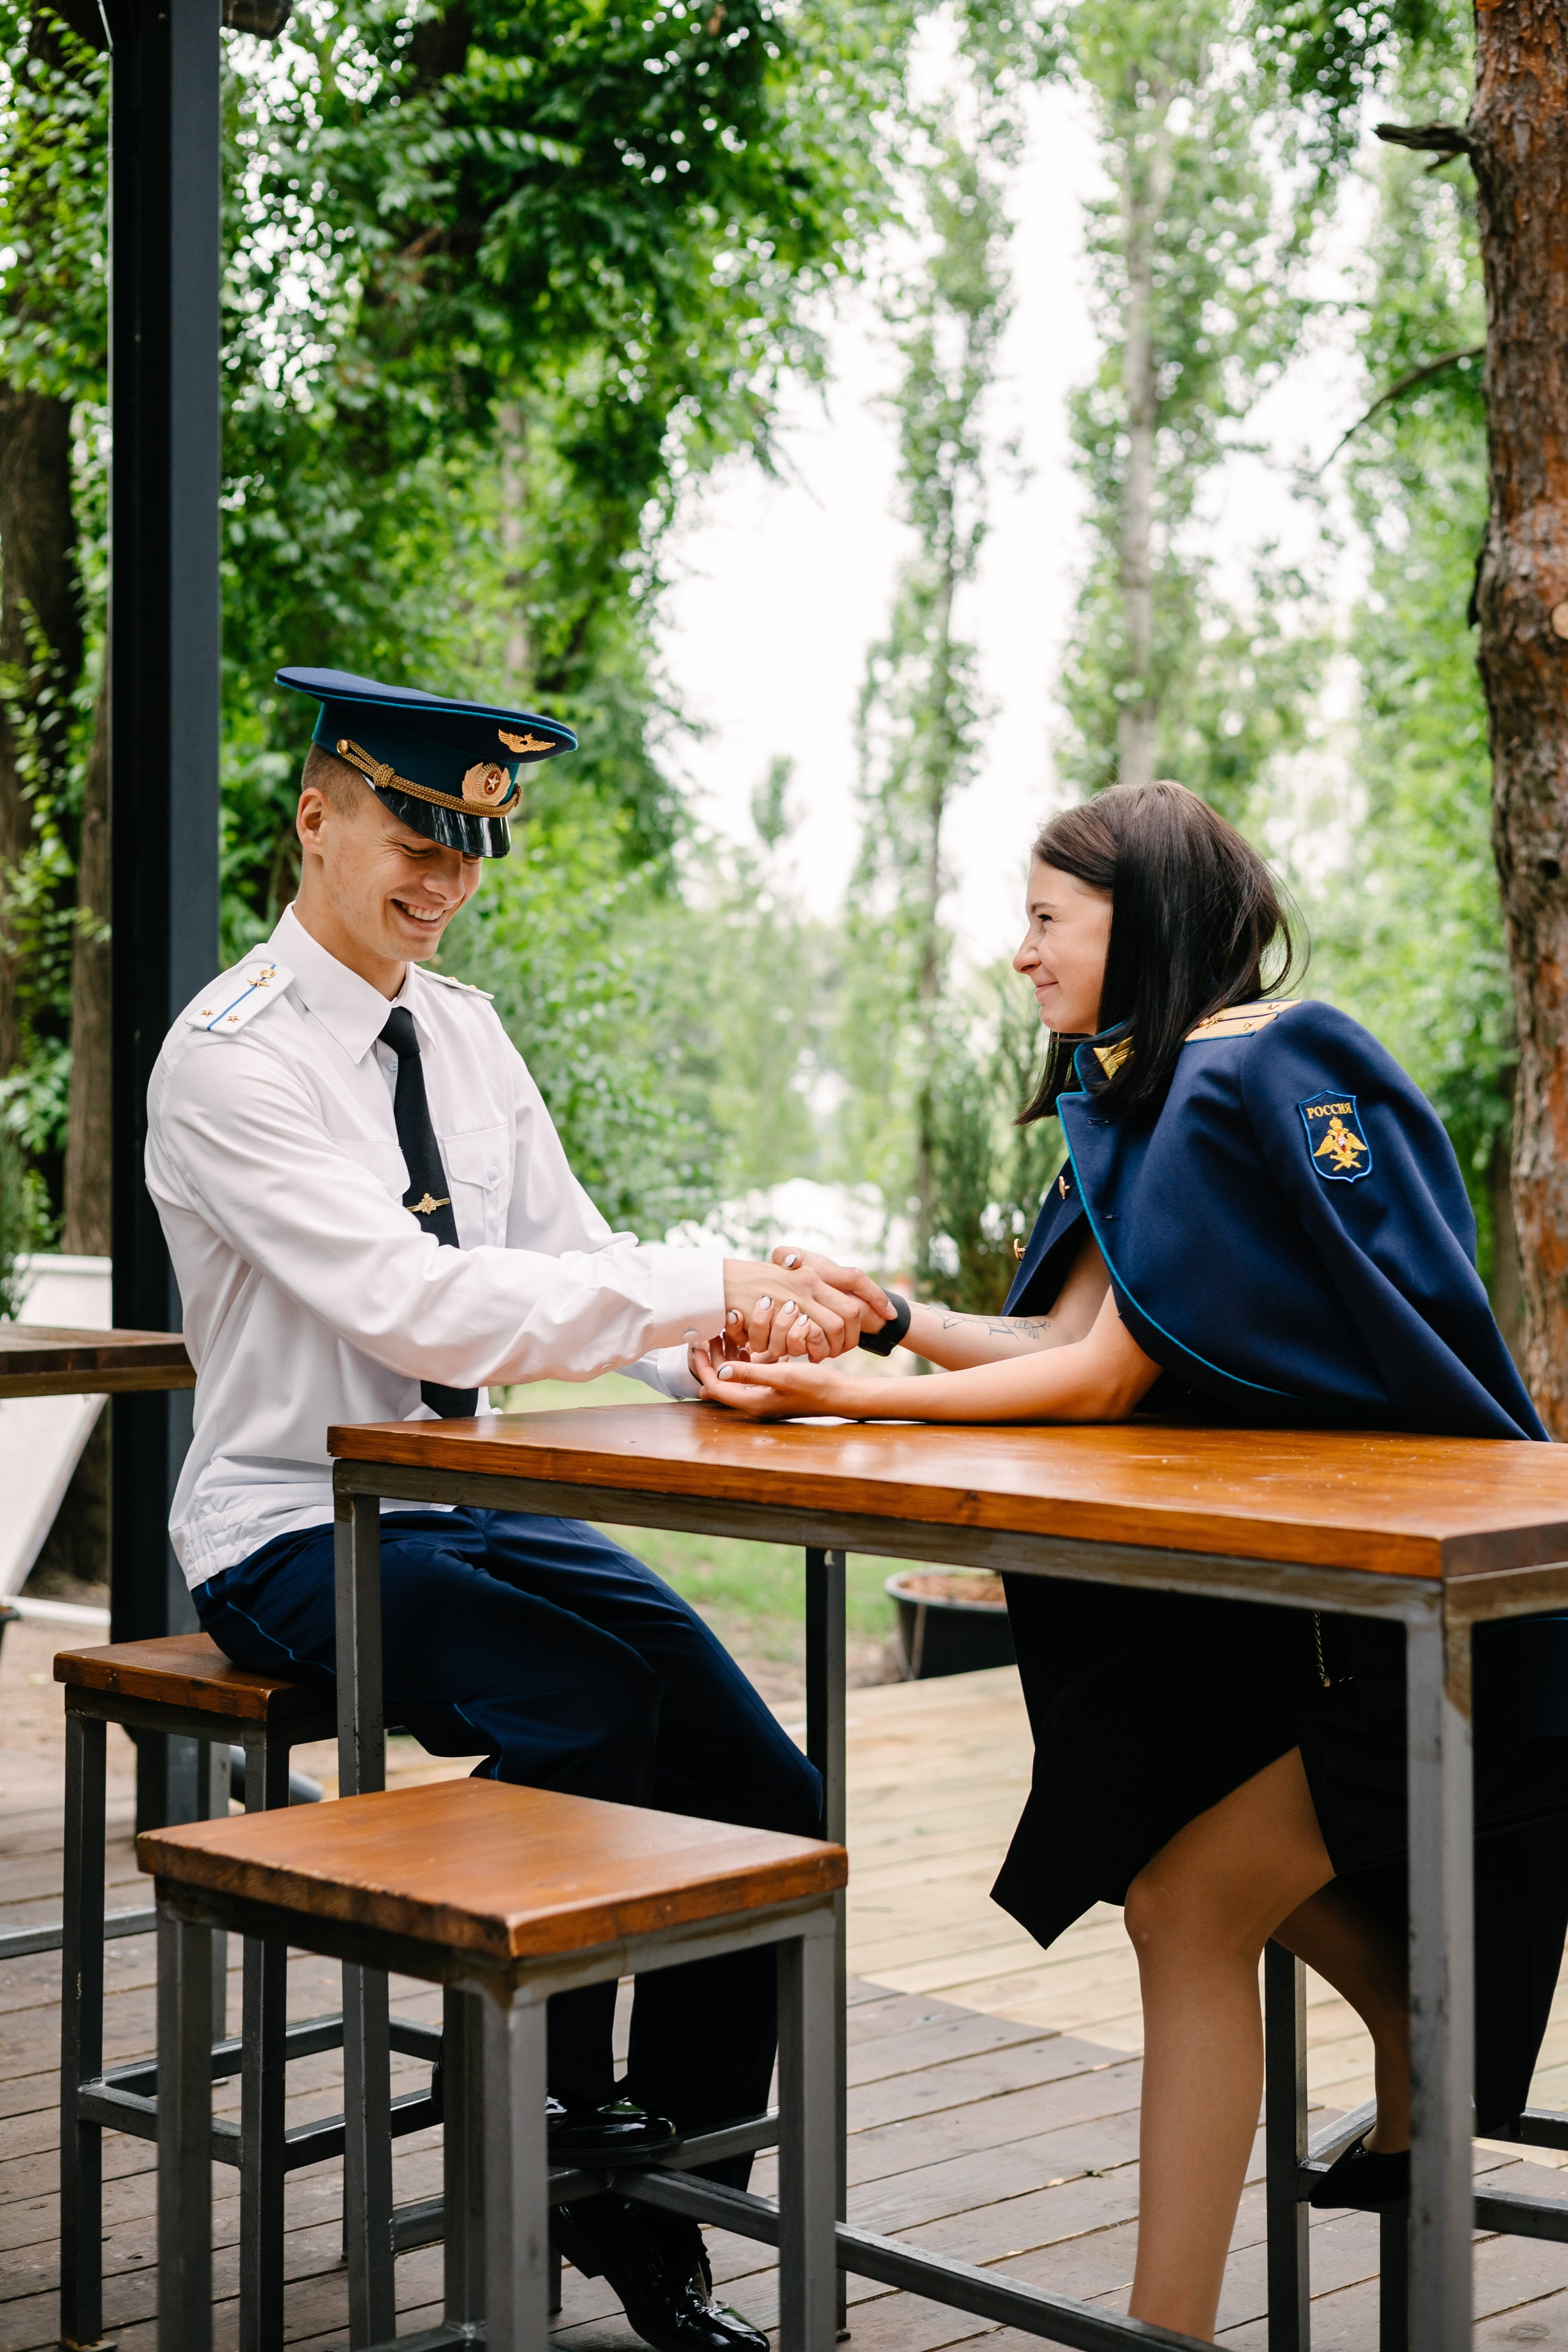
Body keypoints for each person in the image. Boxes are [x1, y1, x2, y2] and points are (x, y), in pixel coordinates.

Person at [693, 779, 1568, 2343]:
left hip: (1389, 1615)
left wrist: (853, 1391)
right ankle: (1415, 2055)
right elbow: (1079, 1337)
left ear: (1139, 924)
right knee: (1169, 1859)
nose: (1019, 955)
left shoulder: (1255, 1061)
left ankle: (1171, 2318)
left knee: (1178, 1900)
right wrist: (887, 1316)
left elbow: (1096, 1383)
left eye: (1046, 920)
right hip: (1271, 1609)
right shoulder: (1162, 1083)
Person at [145, 665, 890, 2352]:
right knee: (590, 1703)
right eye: (418, 827)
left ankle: (657, 2180)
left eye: (479, 842)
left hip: (469, 1503)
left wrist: (727, 1346)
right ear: (317, 814)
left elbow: (561, 1263)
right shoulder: (233, 1061)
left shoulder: (463, 1034)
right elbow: (425, 1310)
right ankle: (554, 2137)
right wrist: (704, 1280)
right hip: (297, 1522)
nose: (447, 874)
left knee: (767, 1790)